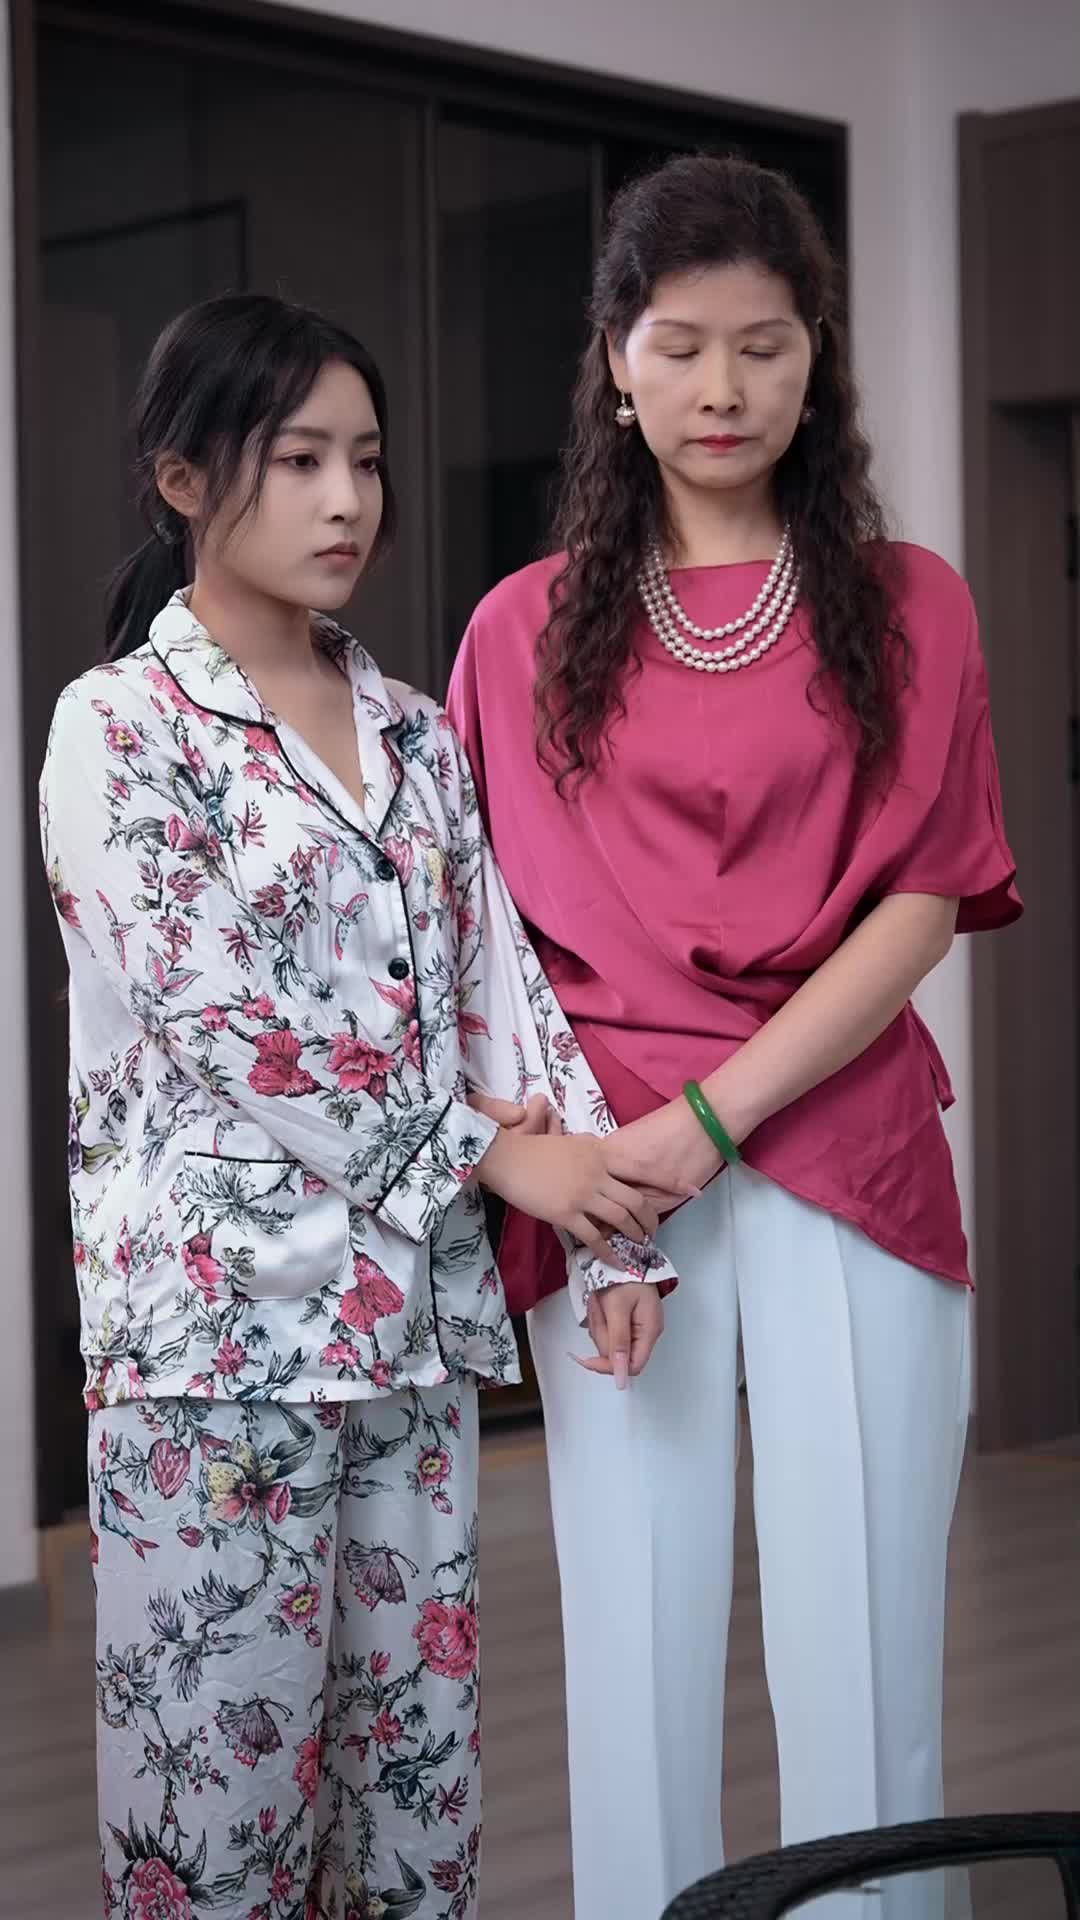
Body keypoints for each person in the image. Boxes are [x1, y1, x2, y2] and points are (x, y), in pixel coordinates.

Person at [40, 292, 680, 1920]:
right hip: (212, 1362)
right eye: (300, 459)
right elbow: (226, 1025)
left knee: (414, 1815)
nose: (347, 500)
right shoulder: (115, 729)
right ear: (184, 480)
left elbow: (497, 989)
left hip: (407, 1341)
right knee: (217, 1834)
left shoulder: (413, 731)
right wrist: (497, 1158)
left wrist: (609, 1236)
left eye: (369, 460)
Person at [448, 154, 1021, 1920]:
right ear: (615, 361)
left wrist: (712, 1118)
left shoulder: (913, 599)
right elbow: (485, 943)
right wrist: (588, 1173)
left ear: (815, 359)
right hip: (614, 1191)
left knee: (868, 1645)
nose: (723, 387)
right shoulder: (519, 628)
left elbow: (920, 904)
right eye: (683, 345)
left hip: (842, 1142)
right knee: (631, 1651)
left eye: (765, 346)